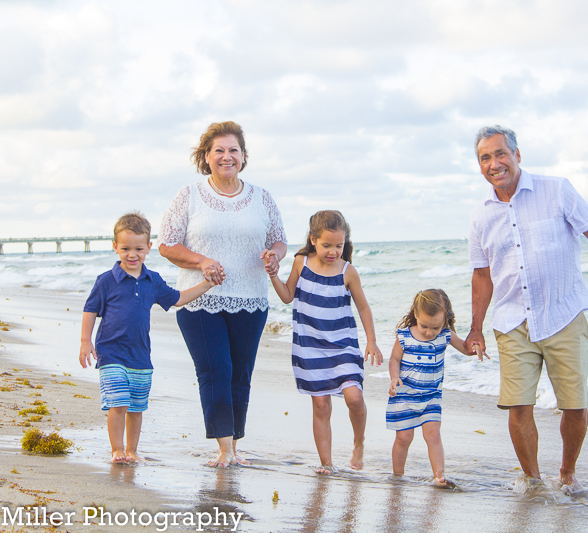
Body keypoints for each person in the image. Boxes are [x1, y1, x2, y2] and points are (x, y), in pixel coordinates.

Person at [464, 125, 588, 493]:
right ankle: (533, 481)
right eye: (485, 157)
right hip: (512, 320)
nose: (495, 163)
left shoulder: (556, 190)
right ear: (479, 165)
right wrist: (475, 327)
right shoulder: (480, 215)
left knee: (574, 404)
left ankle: (567, 474)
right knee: (518, 406)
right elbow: (481, 275)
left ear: (517, 154)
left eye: (500, 153)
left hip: (563, 314)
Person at [158, 121, 287, 468]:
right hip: (199, 299)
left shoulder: (261, 197)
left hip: (251, 298)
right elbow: (166, 245)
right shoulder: (190, 195)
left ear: (243, 156)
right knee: (215, 368)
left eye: (233, 150)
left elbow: (279, 239)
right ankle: (223, 449)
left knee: (240, 373)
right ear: (206, 157)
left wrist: (274, 255)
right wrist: (201, 261)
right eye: (219, 150)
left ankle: (234, 447)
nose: (227, 156)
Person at [79, 211, 215, 464]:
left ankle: (132, 451)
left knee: (136, 407)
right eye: (126, 248)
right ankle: (116, 450)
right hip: (111, 353)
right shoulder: (106, 281)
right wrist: (85, 341)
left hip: (140, 356)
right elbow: (90, 310)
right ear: (115, 247)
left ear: (149, 247)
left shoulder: (153, 281)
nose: (132, 254)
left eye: (139, 249)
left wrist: (207, 285)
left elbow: (178, 299)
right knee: (118, 403)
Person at [268, 210, 383, 473]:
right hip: (310, 346)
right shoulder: (301, 262)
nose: (333, 252)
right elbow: (287, 296)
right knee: (320, 404)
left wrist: (371, 342)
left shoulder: (348, 271)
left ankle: (358, 443)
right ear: (313, 240)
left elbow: (364, 308)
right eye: (327, 245)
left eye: (339, 246)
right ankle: (327, 464)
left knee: (354, 397)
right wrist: (273, 275)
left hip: (343, 345)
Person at [386, 289, 474, 488]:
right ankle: (397, 476)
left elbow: (466, 348)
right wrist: (393, 378)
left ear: (445, 320)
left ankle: (439, 477)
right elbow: (394, 359)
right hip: (405, 395)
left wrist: (475, 346)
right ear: (416, 314)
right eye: (424, 326)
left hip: (431, 397)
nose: (429, 332)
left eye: (435, 327)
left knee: (433, 435)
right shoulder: (405, 337)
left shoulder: (445, 335)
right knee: (403, 438)